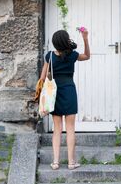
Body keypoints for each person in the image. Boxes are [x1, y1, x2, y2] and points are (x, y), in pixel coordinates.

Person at [38, 28, 90, 170]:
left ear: (55, 43)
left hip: (55, 94)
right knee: (71, 128)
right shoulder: (72, 55)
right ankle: (71, 163)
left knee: (57, 129)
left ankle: (55, 162)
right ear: (66, 41)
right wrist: (85, 38)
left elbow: (43, 78)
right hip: (69, 91)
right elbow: (87, 56)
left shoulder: (49, 56)